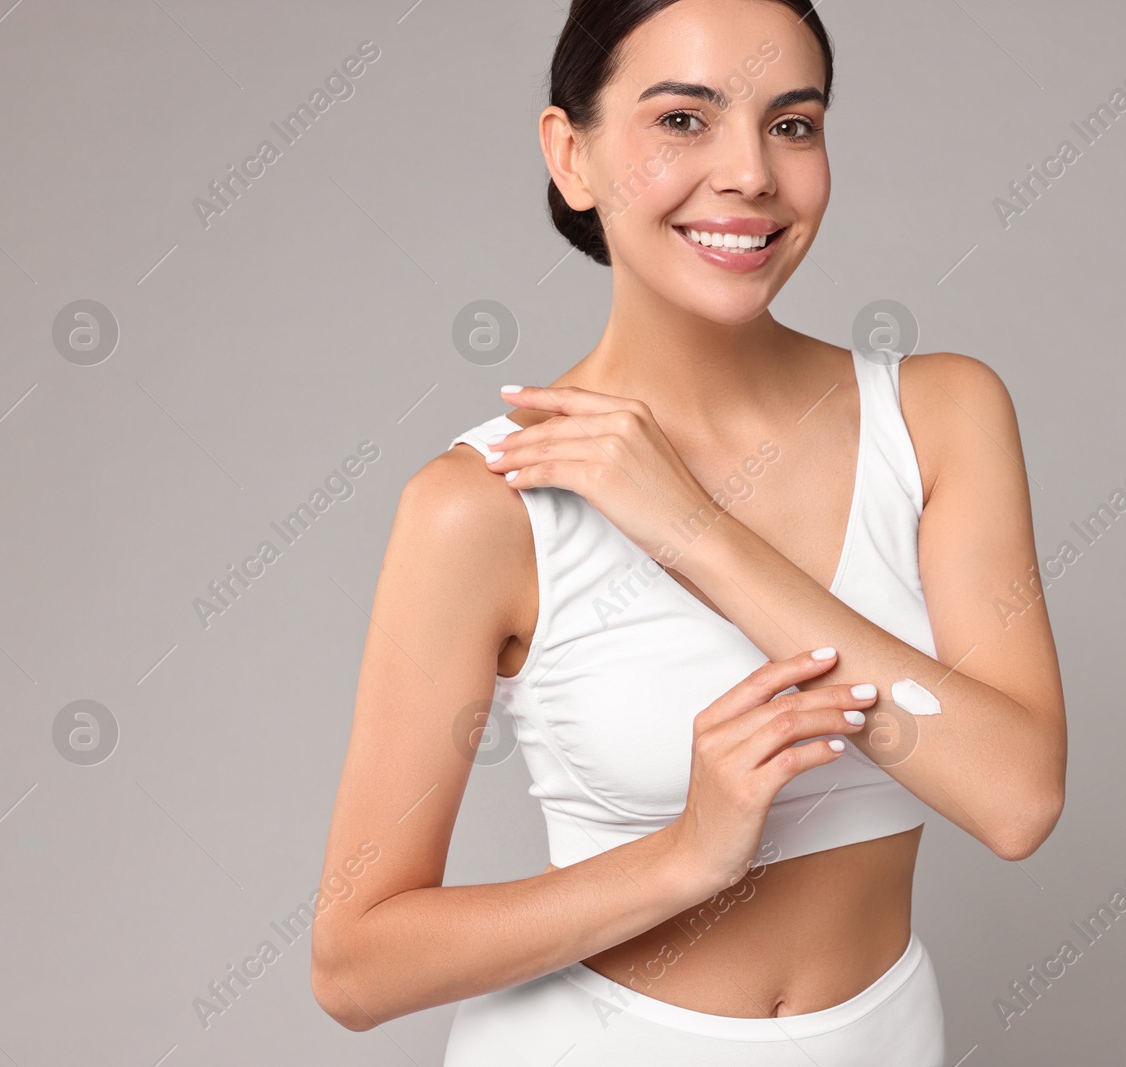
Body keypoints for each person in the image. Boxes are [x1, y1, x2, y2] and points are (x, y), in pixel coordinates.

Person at [311, 1, 1067, 1061]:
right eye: (681, 119)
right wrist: (685, 855)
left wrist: (696, 530)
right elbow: (354, 963)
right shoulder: (486, 501)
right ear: (570, 155)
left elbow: (1016, 797)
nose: (751, 171)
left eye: (792, 123)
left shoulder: (939, 417)